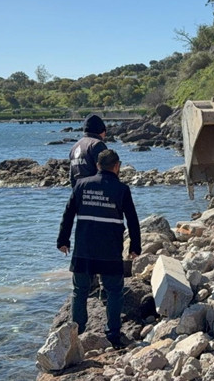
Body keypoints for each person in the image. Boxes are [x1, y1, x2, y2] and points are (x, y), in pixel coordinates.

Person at [57, 149, 141, 347]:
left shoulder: (81, 185)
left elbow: (67, 215)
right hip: (110, 251)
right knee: (114, 291)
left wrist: (63, 240)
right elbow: (133, 221)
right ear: (117, 166)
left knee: (80, 290)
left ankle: (76, 333)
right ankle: (113, 334)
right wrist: (135, 247)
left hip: (84, 250)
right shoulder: (121, 189)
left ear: (97, 166)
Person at [69, 114, 108, 187]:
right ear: (102, 131)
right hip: (95, 192)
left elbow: (72, 177)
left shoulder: (74, 147)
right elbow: (105, 173)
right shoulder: (97, 144)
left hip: (79, 192)